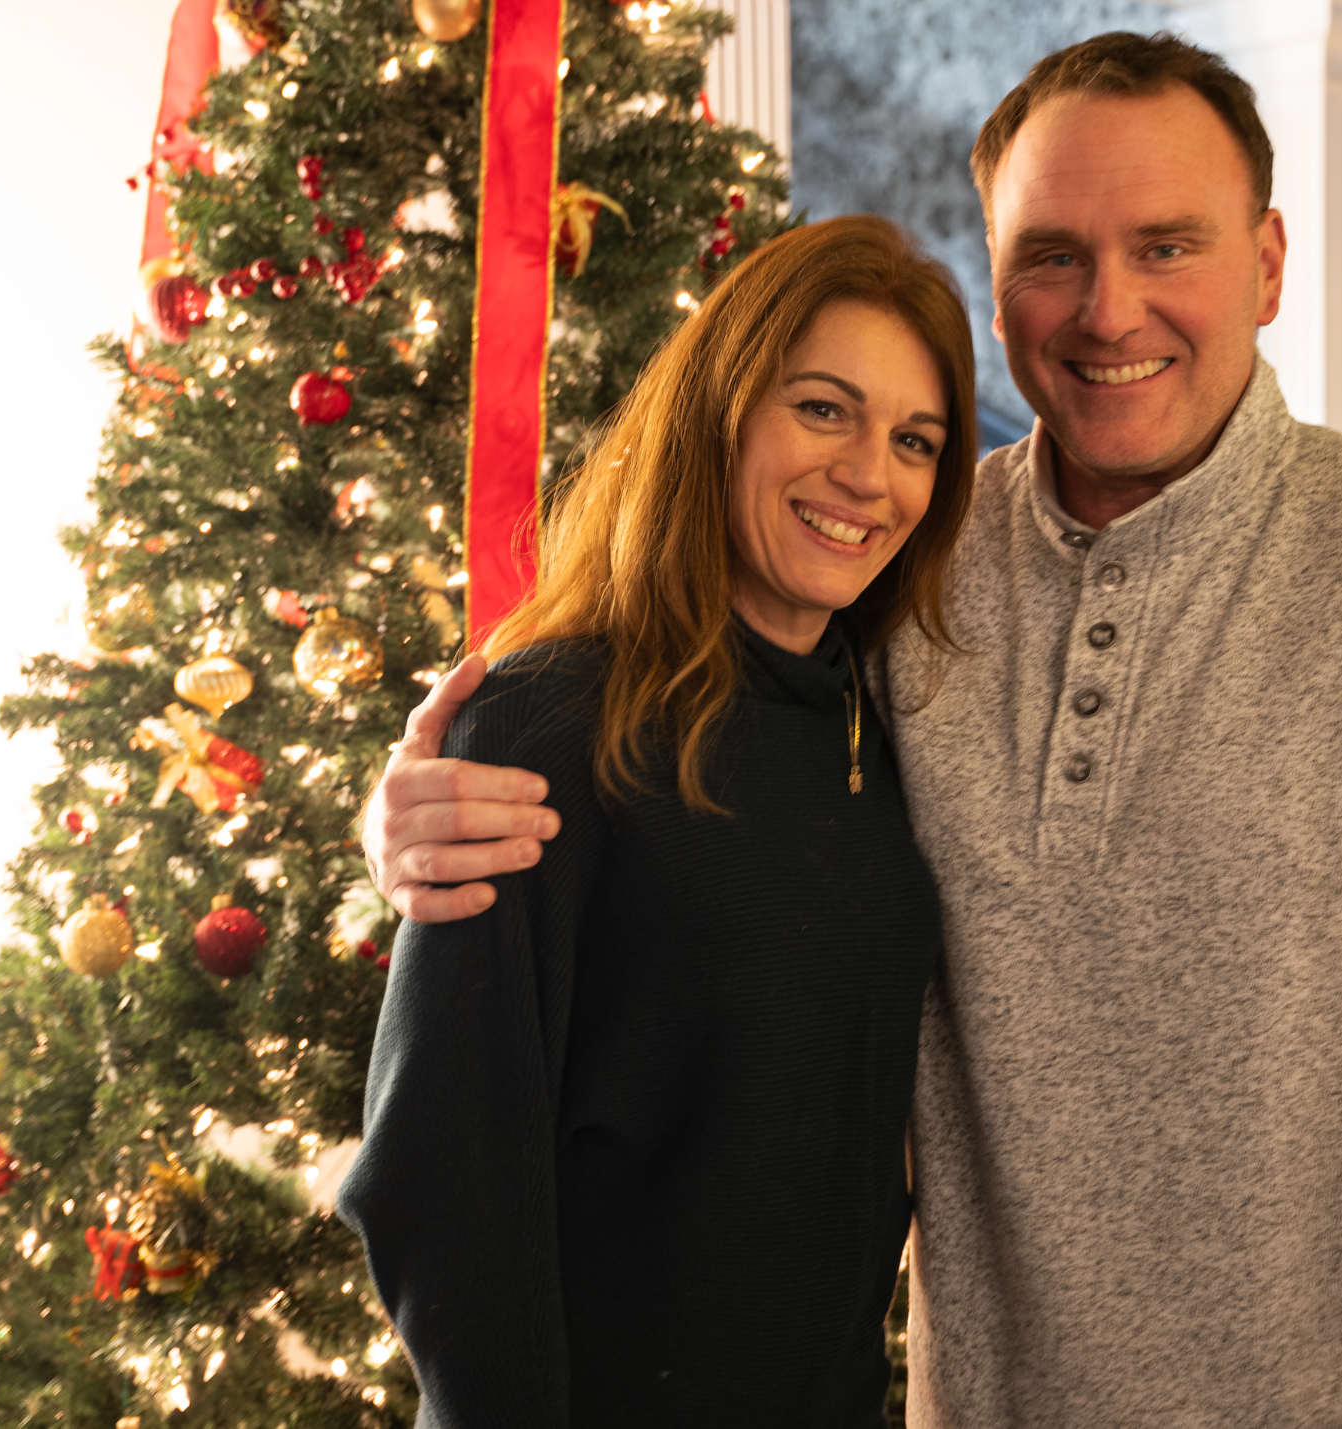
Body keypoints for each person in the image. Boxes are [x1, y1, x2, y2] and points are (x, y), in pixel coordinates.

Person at [361, 33, 1342, 1429]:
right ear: (999, 293)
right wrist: (420, 815)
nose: (1109, 311)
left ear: (1271, 264)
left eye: (1168, 245)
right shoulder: (909, 561)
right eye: (1053, 255)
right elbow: (699, 725)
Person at [335, 214, 978, 1428]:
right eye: (823, 409)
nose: (868, 475)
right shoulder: (545, 725)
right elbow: (439, 1174)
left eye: (916, 440)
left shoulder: (882, 719)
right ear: (720, 409)